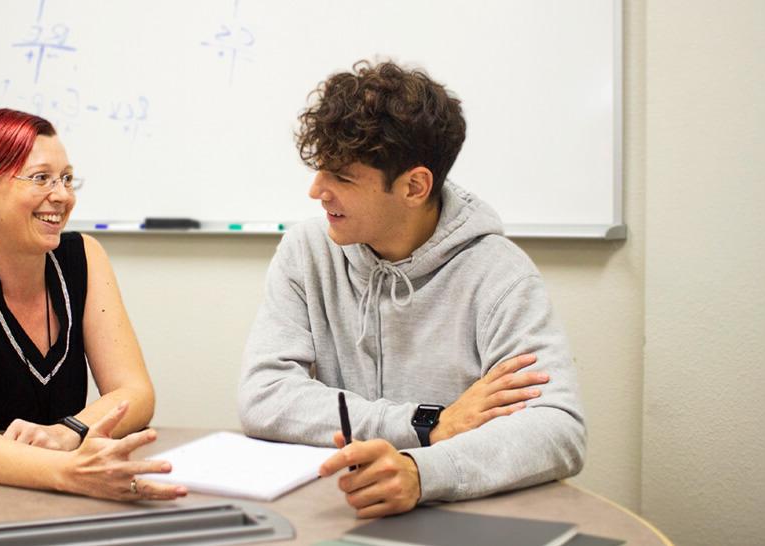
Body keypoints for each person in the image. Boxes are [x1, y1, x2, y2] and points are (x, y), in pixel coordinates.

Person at [237, 60, 586, 518]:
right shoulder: (306, 251)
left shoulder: (499, 275)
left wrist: (422, 471)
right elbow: (264, 395)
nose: (316, 191)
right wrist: (427, 424)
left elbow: (557, 430)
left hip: (458, 518)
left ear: (414, 186)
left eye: (341, 177)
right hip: (339, 512)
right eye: (319, 170)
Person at [0, 108, 186, 502]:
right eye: (41, 178)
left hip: (34, 493)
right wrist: (69, 472)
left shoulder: (84, 257)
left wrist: (66, 432)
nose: (62, 196)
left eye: (67, 178)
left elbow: (136, 392)